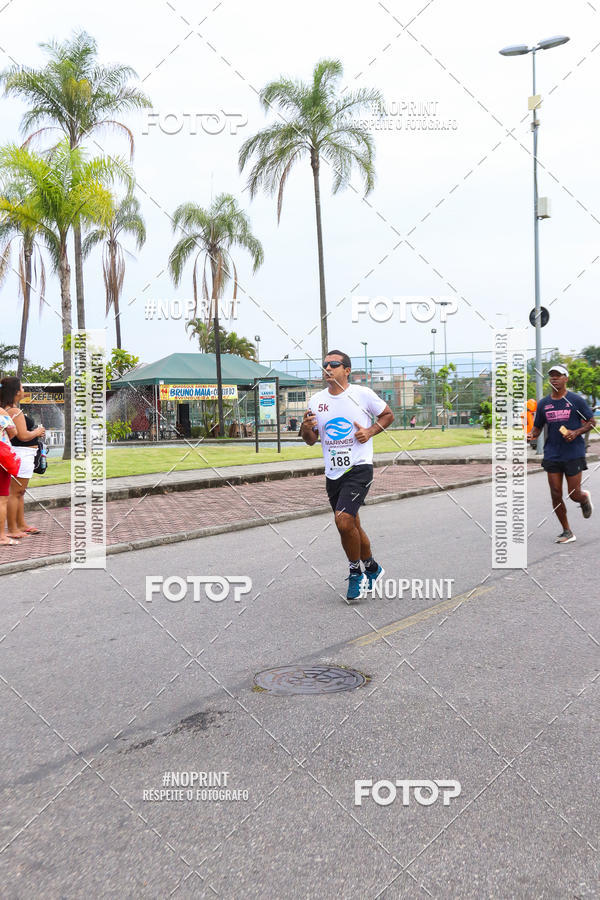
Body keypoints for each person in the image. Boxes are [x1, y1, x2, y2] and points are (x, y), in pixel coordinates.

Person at [300, 350, 394, 600]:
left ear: (347, 370)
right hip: (333, 472)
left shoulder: (362, 395)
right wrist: (305, 428)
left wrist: (371, 431)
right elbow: (310, 441)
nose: (327, 369)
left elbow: (388, 414)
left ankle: (356, 573)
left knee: (342, 521)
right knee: (351, 524)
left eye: (333, 364)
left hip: (359, 466)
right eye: (325, 365)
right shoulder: (316, 401)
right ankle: (372, 567)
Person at [527, 365, 595, 543]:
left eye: (558, 376)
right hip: (552, 453)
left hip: (573, 452)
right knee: (556, 493)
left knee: (573, 493)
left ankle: (583, 498)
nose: (554, 379)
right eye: (552, 376)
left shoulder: (575, 400)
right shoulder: (544, 404)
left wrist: (576, 432)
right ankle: (567, 531)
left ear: (566, 379)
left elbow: (591, 422)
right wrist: (532, 435)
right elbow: (538, 427)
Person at [0, 377, 45, 539]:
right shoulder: (13, 411)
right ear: (16, 391)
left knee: (19, 492)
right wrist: (38, 432)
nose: (24, 390)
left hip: (24, 453)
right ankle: (13, 528)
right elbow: (23, 435)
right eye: (22, 387)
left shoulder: (11, 409)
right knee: (16, 492)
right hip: (22, 452)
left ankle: (21, 524)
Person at [0, 402, 18, 546]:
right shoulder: (1, 412)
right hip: (2, 458)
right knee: (2, 500)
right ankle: (1, 536)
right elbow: (13, 432)